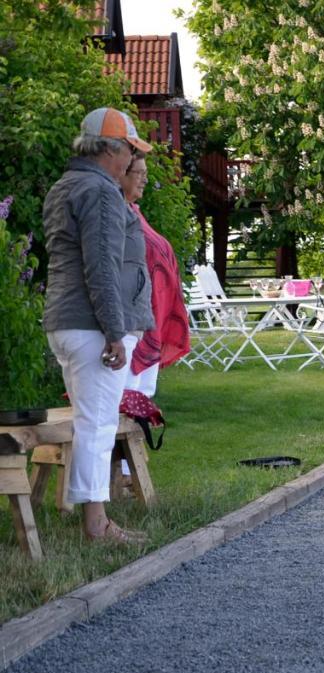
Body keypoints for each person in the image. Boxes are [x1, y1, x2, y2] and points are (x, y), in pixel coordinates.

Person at [42, 107, 154, 544]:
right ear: (110, 149)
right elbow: (102, 268)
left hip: (68, 321)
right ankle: (96, 525)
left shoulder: (67, 185)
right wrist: (114, 331)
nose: (131, 160)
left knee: (93, 419)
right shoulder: (101, 191)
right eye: (129, 149)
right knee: (98, 422)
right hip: (92, 326)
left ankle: (94, 518)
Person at [120, 154, 189, 398]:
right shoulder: (116, 214)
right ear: (121, 174)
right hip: (127, 320)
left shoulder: (133, 212)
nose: (145, 180)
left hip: (148, 315)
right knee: (123, 399)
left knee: (140, 398)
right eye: (139, 173)